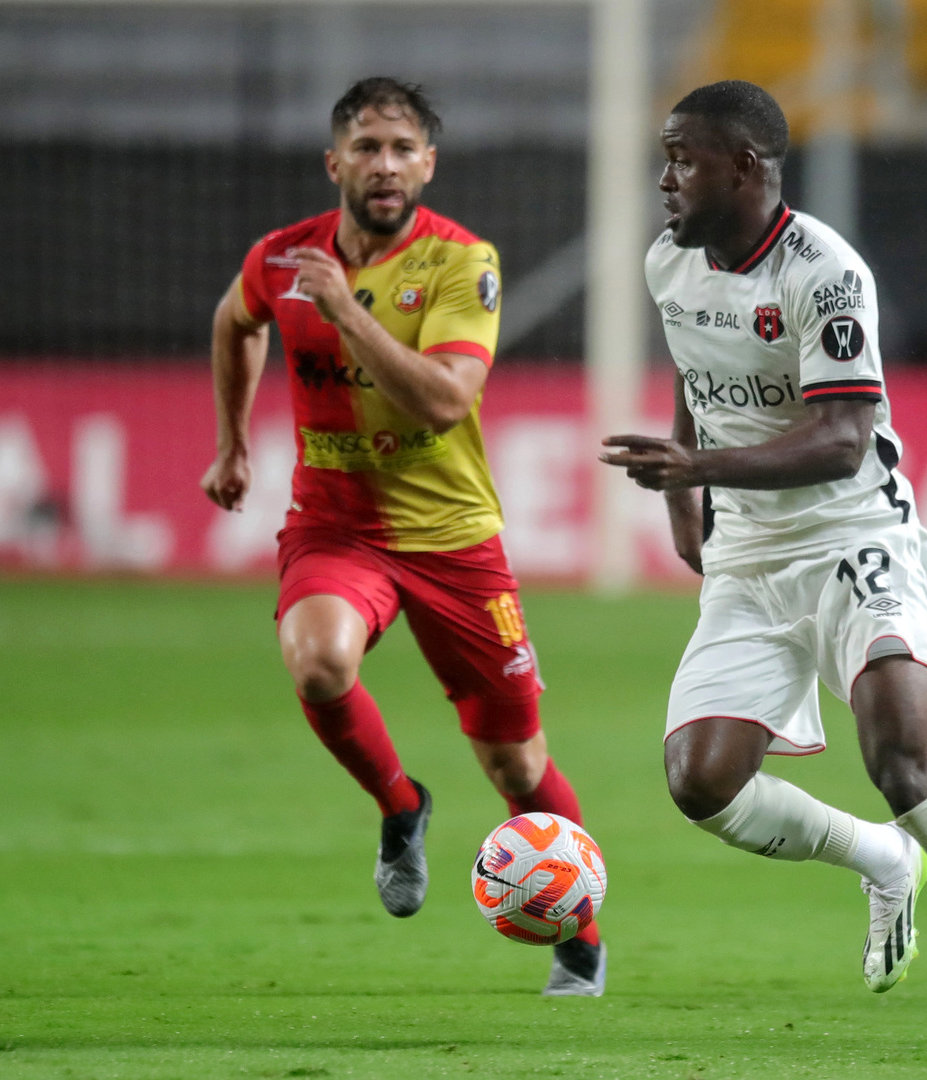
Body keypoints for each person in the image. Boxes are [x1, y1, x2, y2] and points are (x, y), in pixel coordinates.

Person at [599, 80, 927, 1046]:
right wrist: (682, 490)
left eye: (683, 158)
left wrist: (697, 468)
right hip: (746, 558)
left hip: (854, 537)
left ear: (744, 166)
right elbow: (698, 380)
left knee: (905, 763)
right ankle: (877, 859)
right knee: (702, 782)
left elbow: (839, 438)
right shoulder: (669, 262)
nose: (664, 179)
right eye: (665, 157)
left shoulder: (824, 275)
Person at [200, 77, 604, 996]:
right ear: (334, 161)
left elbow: (447, 397)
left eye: (402, 148)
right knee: (318, 664)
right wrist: (231, 444)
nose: (385, 164)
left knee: (517, 762)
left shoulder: (464, 263)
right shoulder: (282, 257)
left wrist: (346, 311)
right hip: (335, 527)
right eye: (368, 146)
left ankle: (577, 931)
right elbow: (236, 321)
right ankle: (402, 805)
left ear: (429, 164)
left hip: (455, 539)